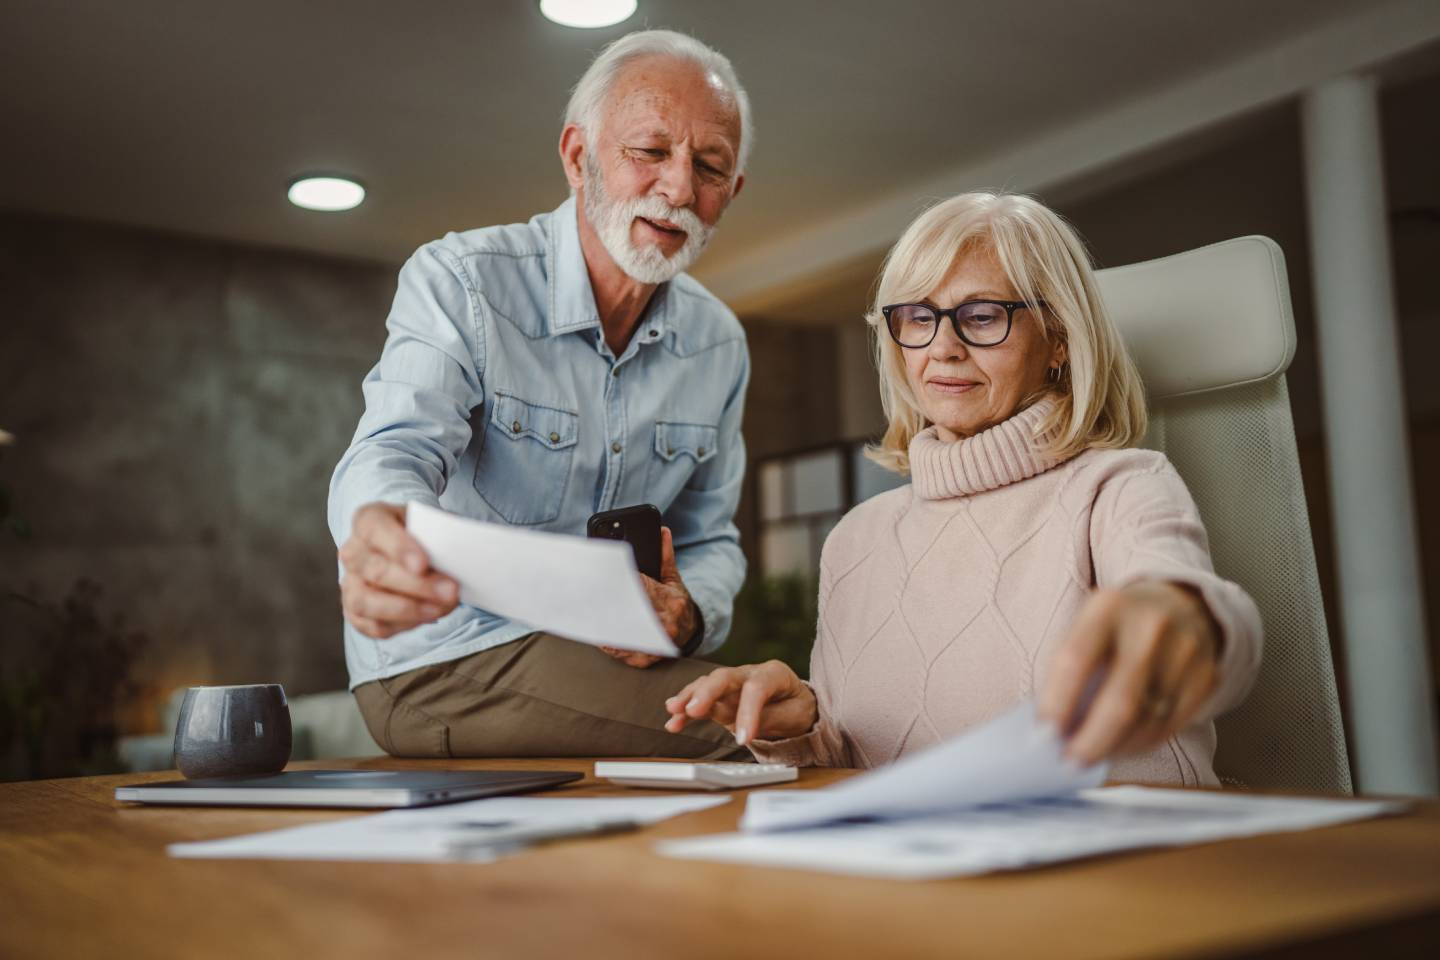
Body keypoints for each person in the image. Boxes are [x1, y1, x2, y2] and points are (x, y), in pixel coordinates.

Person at [664, 192, 1263, 785]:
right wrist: (795, 726)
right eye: (919, 318)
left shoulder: (1121, 487)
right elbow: (852, 761)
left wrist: (1189, 618)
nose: (943, 347)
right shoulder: (856, 538)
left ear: (1058, 340)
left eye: (981, 316)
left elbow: (1208, 631)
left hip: (1120, 859)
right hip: (922, 864)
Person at [328, 30, 754, 759]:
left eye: (709, 166)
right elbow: (395, 450)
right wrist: (378, 533)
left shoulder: (719, 343)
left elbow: (710, 539)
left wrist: (687, 617)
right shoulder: (462, 279)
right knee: (749, 740)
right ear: (578, 157)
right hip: (445, 659)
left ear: (730, 193)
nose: (680, 188)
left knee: (781, 715)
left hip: (604, 660)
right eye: (650, 152)